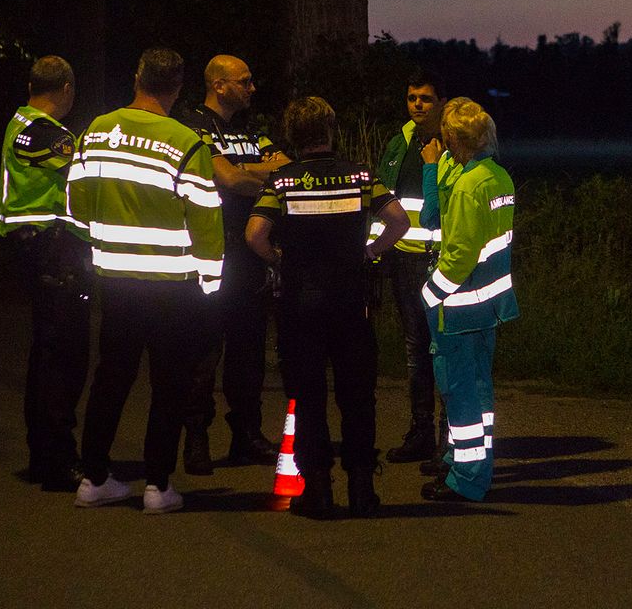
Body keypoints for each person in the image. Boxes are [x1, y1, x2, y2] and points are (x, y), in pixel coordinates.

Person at [66, 48, 224, 514]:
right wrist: (211, 284)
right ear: (178, 87)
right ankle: (158, 486)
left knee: (111, 377)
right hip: (172, 285)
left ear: (137, 77)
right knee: (169, 383)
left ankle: (93, 478)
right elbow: (206, 221)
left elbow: (75, 202)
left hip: (114, 278)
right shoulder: (186, 143)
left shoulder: (96, 130)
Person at [246, 97, 408, 519]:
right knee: (357, 397)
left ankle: (317, 489)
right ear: (331, 131)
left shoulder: (282, 181)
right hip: (351, 303)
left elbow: (255, 235)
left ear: (293, 137)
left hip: (300, 306)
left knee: (307, 397)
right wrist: (370, 251)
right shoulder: (360, 176)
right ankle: (362, 488)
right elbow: (399, 220)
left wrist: (281, 259)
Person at [176, 55, 288, 474]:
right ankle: (197, 438)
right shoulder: (194, 126)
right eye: (245, 81)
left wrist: (243, 169)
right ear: (219, 85)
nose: (252, 88)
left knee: (248, 350)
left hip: (250, 256)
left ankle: (247, 434)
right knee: (204, 350)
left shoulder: (251, 129)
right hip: (209, 253)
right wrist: (254, 172)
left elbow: (286, 169)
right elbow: (227, 179)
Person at [0, 55, 90, 492]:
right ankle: (56, 458)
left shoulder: (20, 123)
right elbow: (87, 170)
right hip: (51, 249)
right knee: (63, 357)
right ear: (66, 88)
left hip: (36, 247)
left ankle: (44, 453)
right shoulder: (41, 131)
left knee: (48, 354)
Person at [417, 99, 518, 502]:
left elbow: (459, 252)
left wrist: (430, 294)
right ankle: (474, 468)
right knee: (480, 394)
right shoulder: (499, 178)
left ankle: (467, 479)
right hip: (490, 305)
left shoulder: (467, 186)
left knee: (459, 396)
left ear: (455, 139)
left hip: (458, 307)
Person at [374, 68, 448, 463]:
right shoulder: (400, 140)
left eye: (425, 98)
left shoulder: (453, 141)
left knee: (443, 349)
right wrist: (376, 249)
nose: (417, 105)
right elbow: (383, 198)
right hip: (403, 259)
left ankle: (446, 440)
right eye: (411, 98)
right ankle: (421, 431)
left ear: (441, 103)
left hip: (440, 261)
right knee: (416, 349)